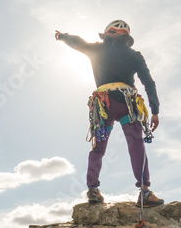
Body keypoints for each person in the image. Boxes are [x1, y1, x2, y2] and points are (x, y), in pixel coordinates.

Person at [54, 19, 163, 207]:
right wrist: (154, 110)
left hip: (104, 105)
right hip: (127, 103)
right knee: (136, 144)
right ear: (127, 37)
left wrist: (64, 37)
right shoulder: (134, 55)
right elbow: (148, 82)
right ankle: (144, 191)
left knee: (99, 147)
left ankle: (93, 190)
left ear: (107, 33)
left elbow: (78, 42)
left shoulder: (97, 49)